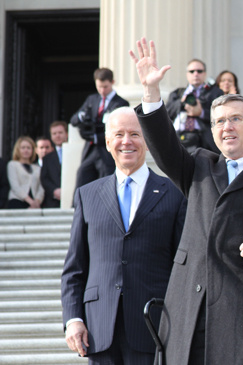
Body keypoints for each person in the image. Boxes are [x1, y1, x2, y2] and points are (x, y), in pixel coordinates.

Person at [130, 38, 243, 365]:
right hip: (188, 308)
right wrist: (151, 94)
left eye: (234, 119)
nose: (226, 127)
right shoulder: (198, 165)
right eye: (219, 121)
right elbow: (164, 146)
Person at [61, 107, 186, 364]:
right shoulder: (87, 195)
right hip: (98, 329)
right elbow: (75, 268)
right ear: (108, 143)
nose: (126, 141)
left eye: (135, 134)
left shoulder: (174, 194)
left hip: (153, 326)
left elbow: (184, 267)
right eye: (118, 134)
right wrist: (73, 319)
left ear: (148, 142)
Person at [71, 68, 130, 189]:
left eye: (105, 87)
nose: (102, 90)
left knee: (106, 178)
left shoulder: (121, 103)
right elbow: (74, 120)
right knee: (82, 175)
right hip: (91, 148)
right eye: (99, 87)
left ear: (112, 82)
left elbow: (119, 130)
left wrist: (98, 137)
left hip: (106, 149)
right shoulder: (92, 100)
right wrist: (82, 117)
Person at [165, 59, 223, 153]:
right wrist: (181, 102)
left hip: (205, 141)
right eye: (192, 71)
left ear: (205, 74)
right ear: (187, 74)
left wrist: (201, 113)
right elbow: (166, 113)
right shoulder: (178, 93)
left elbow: (221, 116)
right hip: (179, 139)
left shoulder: (215, 93)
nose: (196, 74)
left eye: (199, 71)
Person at [6, 136, 44, 209]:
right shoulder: (12, 165)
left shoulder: (38, 168)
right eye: (23, 148)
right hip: (17, 201)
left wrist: (37, 201)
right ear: (18, 150)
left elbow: (41, 187)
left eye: (28, 148)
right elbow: (15, 186)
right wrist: (31, 202)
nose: (26, 150)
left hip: (35, 205)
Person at [41, 121, 68, 208]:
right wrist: (54, 191)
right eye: (54, 133)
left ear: (66, 134)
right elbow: (44, 178)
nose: (57, 136)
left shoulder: (76, 154)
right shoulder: (47, 158)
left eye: (60, 133)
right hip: (53, 202)